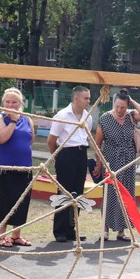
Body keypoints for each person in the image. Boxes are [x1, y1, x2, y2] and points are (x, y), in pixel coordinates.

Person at [94, 89, 140, 241]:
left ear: (127, 106)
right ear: (114, 104)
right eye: (117, 106)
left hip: (128, 162)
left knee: (127, 195)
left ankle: (121, 230)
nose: (120, 110)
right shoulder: (105, 118)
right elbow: (97, 144)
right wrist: (99, 165)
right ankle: (104, 229)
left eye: (123, 107)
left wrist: (131, 101)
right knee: (110, 194)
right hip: (111, 161)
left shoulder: (131, 117)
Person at [47, 86, 94, 243]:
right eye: (86, 98)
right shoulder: (62, 115)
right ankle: (59, 230)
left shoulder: (87, 117)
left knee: (77, 194)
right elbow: (51, 140)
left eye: (89, 98)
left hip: (81, 155)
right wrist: (57, 157)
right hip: (66, 154)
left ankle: (71, 229)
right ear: (76, 99)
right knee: (64, 193)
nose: (88, 101)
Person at [0, 87, 34, 247]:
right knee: (6, 201)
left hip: (25, 168)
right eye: (7, 102)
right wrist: (13, 121)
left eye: (14, 102)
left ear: (20, 103)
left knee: (22, 202)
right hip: (6, 169)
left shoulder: (27, 119)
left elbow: (30, 138)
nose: (10, 105)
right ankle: (2, 236)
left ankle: (17, 235)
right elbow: (1, 138)